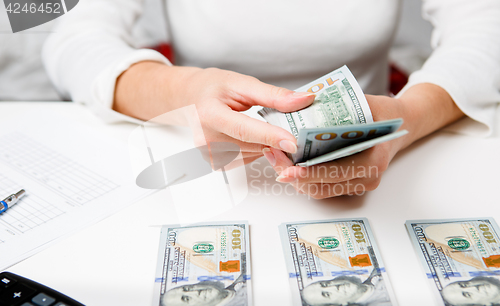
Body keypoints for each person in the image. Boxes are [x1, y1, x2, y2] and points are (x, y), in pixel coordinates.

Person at [42, 0, 500, 199]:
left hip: (389, 141)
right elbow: (74, 38)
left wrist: (401, 120)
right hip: (199, 153)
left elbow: (487, 28)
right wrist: (185, 91)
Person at [301, 272, 398, 306]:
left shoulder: (376, 270)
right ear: (339, 304)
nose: (334, 287)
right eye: (327, 294)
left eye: (324, 284)